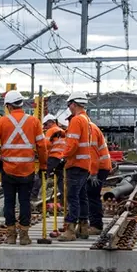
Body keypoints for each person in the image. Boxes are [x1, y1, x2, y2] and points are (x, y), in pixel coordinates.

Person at [0, 91, 48, 245]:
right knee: (25, 202)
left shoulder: (2, 122)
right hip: (27, 170)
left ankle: (11, 235)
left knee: (9, 202)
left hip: (8, 170)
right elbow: (42, 146)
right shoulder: (34, 122)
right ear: (21, 104)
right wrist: (44, 165)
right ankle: (24, 236)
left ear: (8, 105)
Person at [59, 92, 96, 242]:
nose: (69, 108)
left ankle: (70, 230)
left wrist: (63, 157)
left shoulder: (75, 120)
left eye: (69, 105)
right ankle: (83, 227)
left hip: (75, 164)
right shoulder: (87, 120)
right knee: (82, 196)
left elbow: (72, 144)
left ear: (73, 104)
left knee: (72, 197)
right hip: (85, 164)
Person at [87, 120, 111, 235]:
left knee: (92, 195)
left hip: (99, 167)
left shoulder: (89, 130)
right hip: (100, 166)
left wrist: (93, 173)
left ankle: (96, 225)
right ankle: (94, 223)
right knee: (91, 195)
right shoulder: (90, 127)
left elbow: (93, 153)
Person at [43, 113, 66, 199]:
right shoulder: (62, 131)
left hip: (53, 157)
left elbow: (46, 145)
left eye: (45, 124)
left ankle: (33, 195)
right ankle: (64, 198)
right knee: (60, 179)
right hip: (61, 159)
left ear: (50, 122)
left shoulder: (51, 130)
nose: (45, 127)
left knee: (41, 173)